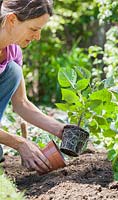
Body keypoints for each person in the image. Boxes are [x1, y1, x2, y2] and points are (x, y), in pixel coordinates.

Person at [0, 0, 65, 174]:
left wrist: (61, 130)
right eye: (34, 29)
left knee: (13, 71)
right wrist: (19, 143)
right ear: (12, 20)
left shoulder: (13, 52)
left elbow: (22, 103)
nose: (38, 37)